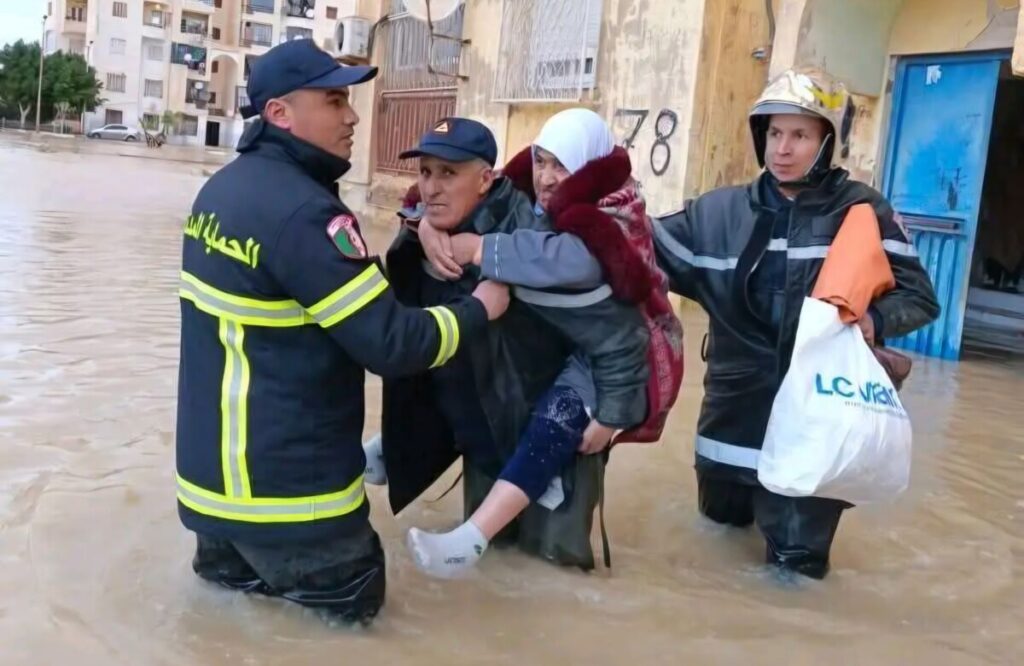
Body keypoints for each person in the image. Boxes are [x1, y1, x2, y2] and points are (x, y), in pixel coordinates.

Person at [175, 40, 509, 625]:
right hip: (297, 510)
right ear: (281, 114)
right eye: (334, 100)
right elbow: (393, 343)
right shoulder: (306, 214)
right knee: (357, 638)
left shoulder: (220, 194)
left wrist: (414, 226)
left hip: (213, 504)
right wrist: (480, 307)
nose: (353, 116)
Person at [651, 68, 940, 579]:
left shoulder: (863, 212)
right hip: (730, 420)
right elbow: (632, 250)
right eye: (774, 133)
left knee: (796, 577)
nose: (782, 149)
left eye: (800, 135)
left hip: (819, 427)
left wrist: (873, 319)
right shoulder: (718, 212)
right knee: (711, 552)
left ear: (829, 141)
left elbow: (920, 298)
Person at [396, 109, 684, 578]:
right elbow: (434, 205)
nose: (548, 178)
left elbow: (572, 270)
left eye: (562, 166)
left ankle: (468, 544)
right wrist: (426, 226)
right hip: (554, 369)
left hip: (613, 368)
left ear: (587, 168)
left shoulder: (602, 226)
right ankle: (398, 461)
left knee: (557, 553)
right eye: (541, 162)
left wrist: (613, 416)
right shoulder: (531, 204)